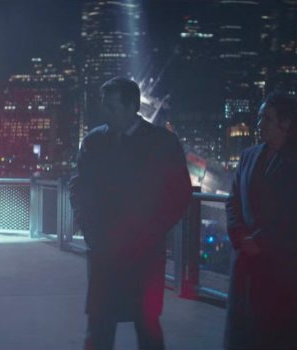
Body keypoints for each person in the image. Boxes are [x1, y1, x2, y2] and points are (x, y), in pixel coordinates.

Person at [70, 77, 192, 350]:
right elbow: (78, 185)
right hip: (105, 249)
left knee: (146, 323)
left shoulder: (162, 142)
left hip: (144, 251)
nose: (107, 115)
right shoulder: (94, 141)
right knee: (100, 324)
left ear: (133, 107)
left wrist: (154, 229)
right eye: (105, 108)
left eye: (112, 108)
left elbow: (180, 193)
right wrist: (88, 227)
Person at [224, 93, 297, 350]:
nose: (259, 123)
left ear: (285, 124)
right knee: (242, 332)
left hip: (281, 263)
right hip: (246, 259)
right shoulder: (248, 155)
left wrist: (260, 241)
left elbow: (293, 211)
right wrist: (239, 235)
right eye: (260, 117)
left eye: (267, 118)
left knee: (277, 335)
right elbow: (232, 200)